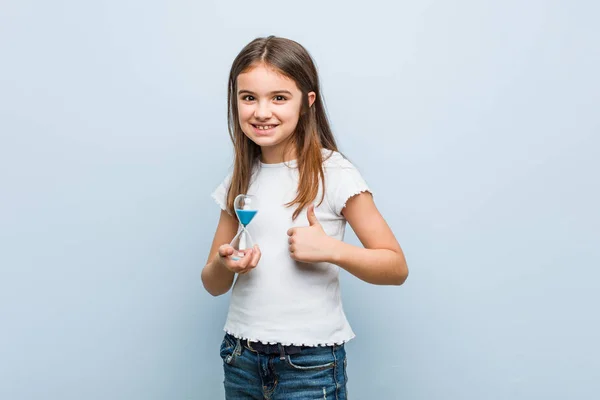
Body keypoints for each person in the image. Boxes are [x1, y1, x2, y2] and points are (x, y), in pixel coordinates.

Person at [201, 35, 408, 400]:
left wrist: (330, 249)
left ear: (307, 102)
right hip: (240, 357)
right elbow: (213, 284)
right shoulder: (240, 179)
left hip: (310, 367)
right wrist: (226, 265)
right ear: (235, 102)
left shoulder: (334, 173)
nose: (261, 112)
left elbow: (395, 267)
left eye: (279, 98)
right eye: (248, 97)